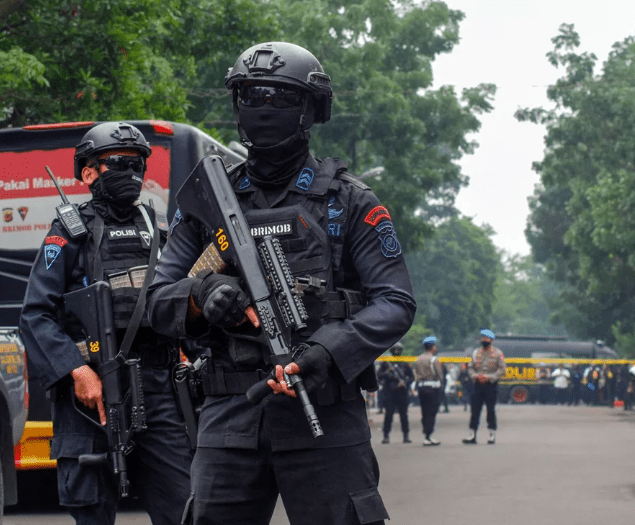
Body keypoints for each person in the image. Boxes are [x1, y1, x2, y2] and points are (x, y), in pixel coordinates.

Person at [145, 42, 417, 525]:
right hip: (229, 418)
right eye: (251, 96)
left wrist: (328, 351)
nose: (264, 108)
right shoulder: (208, 200)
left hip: (325, 416)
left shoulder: (349, 202)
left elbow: (395, 302)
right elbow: (155, 299)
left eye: (281, 97)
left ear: (311, 110)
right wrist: (203, 295)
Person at [19, 122, 192, 525]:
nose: (131, 173)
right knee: (92, 510)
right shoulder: (68, 234)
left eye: (138, 165)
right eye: (118, 163)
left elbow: (182, 303)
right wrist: (77, 371)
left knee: (185, 507)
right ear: (88, 172)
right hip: (91, 393)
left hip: (157, 389)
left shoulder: (159, 231)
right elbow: (35, 315)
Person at [463, 329, 506, 445]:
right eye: (483, 338)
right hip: (477, 384)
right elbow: (470, 368)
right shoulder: (475, 352)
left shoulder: (497, 353)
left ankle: (491, 434)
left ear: (491, 340)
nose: (484, 340)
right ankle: (472, 435)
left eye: (486, 338)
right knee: (475, 410)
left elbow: (502, 369)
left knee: (490, 410)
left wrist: (489, 377)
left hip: (490, 385)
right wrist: (475, 376)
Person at [377, 343, 414, 444]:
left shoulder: (405, 363)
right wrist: (387, 373)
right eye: (395, 350)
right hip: (389, 392)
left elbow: (411, 377)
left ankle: (406, 435)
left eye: (398, 350)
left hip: (402, 392)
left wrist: (405, 382)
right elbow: (379, 375)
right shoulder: (386, 363)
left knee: (404, 415)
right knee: (388, 415)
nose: (396, 352)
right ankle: (386, 436)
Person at [413, 336, 443, 446]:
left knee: (424, 411)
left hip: (421, 387)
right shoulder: (434, 359)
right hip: (432, 388)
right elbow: (439, 375)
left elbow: (416, 373)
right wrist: (441, 386)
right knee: (432, 412)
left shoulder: (418, 359)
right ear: (432, 347)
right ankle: (428, 435)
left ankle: (427, 434)